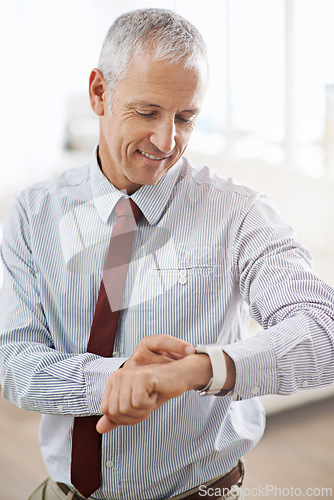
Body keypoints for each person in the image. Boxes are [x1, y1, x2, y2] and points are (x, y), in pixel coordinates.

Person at [0, 7, 333, 500]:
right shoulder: (33, 214)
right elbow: (13, 361)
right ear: (99, 93)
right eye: (148, 112)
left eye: (186, 117)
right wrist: (114, 379)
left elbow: (323, 330)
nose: (167, 140)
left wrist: (198, 367)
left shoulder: (238, 213)